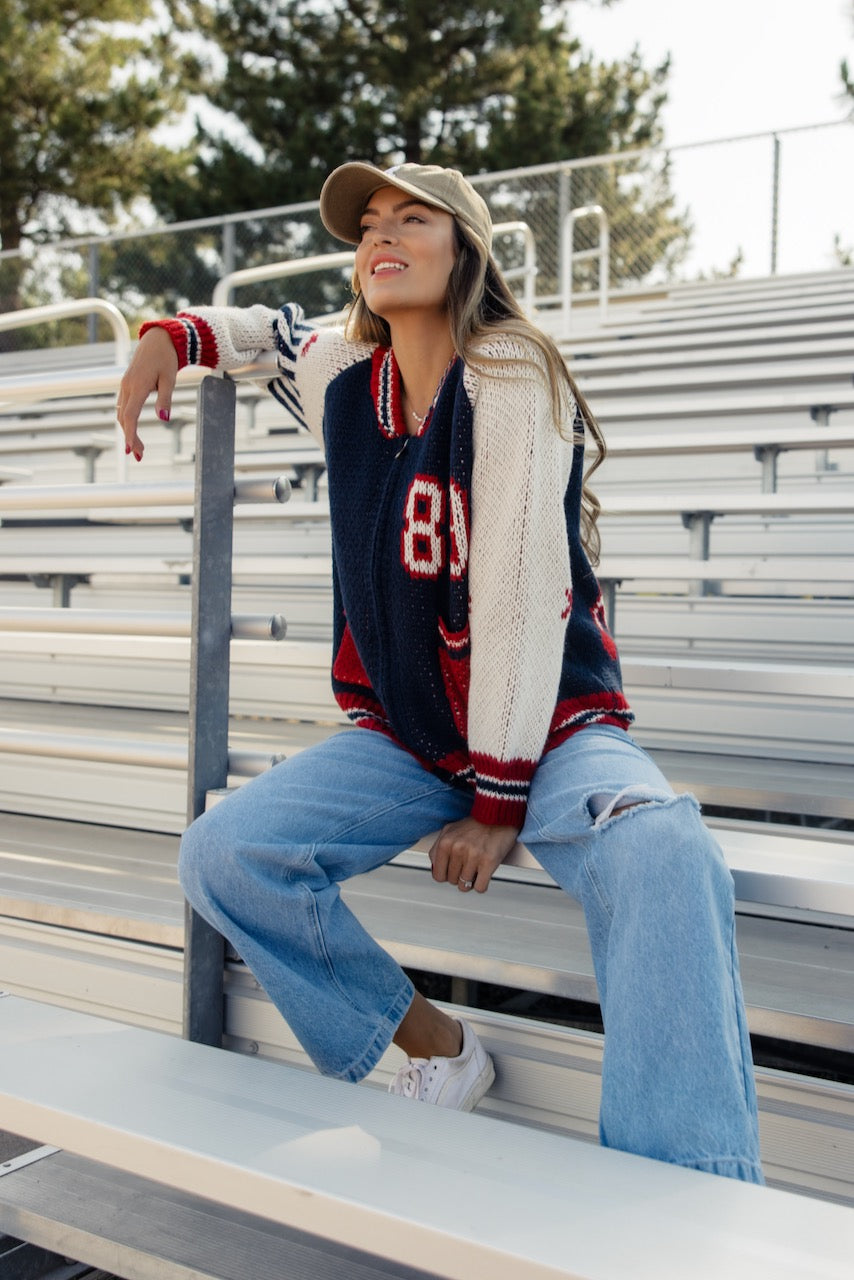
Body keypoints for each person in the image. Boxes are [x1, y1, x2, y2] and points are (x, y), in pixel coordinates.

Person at [116, 161, 763, 1182]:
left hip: (550, 732)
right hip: (413, 737)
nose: (380, 233)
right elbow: (266, 334)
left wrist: (499, 802)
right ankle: (435, 1048)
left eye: (410, 218)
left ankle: (682, 1196)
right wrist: (172, 335)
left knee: (664, 856)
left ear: (463, 246)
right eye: (367, 222)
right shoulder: (343, 371)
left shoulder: (509, 372)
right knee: (224, 852)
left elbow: (513, 593)